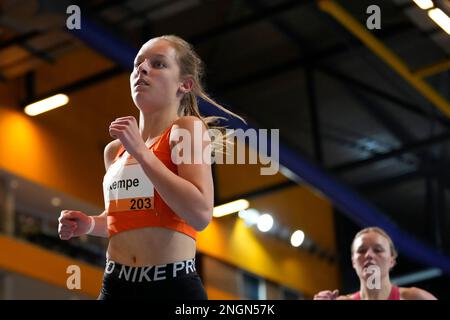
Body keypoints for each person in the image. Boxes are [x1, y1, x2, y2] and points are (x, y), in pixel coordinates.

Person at [58, 35, 243, 300]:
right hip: (116, 286)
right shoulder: (115, 151)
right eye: (137, 64)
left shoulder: (186, 129)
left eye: (158, 64)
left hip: (170, 287)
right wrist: (89, 224)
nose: (142, 69)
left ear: (184, 84)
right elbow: (126, 219)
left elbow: (200, 213)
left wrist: (143, 153)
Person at [314, 227, 437, 300]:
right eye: (361, 251)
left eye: (377, 250)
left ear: (391, 261)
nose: (369, 255)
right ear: (353, 262)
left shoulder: (414, 298)